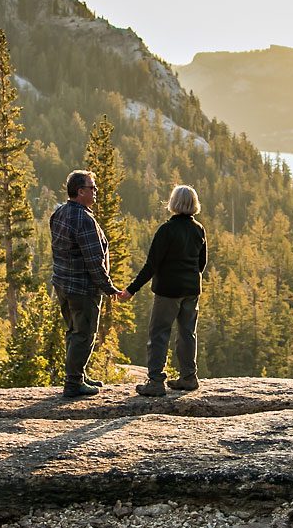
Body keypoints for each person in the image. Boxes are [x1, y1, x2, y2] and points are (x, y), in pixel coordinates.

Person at [120, 184, 207, 397]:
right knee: (187, 333)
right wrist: (191, 279)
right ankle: (189, 377)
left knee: (159, 334)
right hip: (191, 290)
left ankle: (156, 381)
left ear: (173, 203)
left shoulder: (166, 230)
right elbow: (201, 263)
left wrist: (131, 290)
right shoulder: (198, 229)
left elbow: (152, 265)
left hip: (168, 291)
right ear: (194, 204)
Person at [49, 169, 120, 398]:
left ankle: (78, 374)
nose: (96, 191)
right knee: (84, 333)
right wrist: (108, 287)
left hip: (62, 284)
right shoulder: (84, 219)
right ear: (80, 191)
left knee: (73, 331)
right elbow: (93, 260)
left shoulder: (59, 213)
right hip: (82, 287)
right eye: (92, 187)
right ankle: (73, 384)